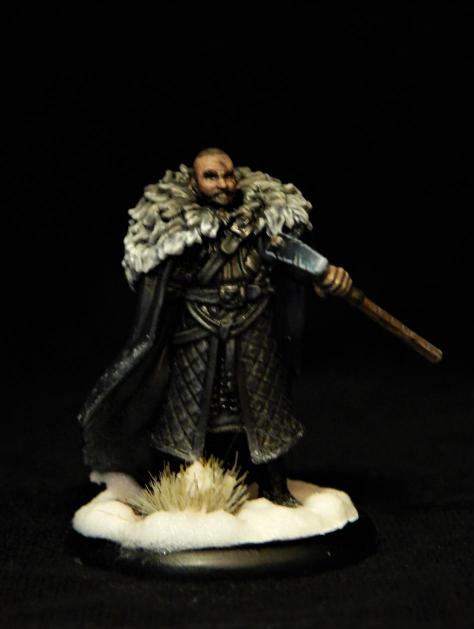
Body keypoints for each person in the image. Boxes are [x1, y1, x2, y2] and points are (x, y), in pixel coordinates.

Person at [78, 148, 351, 506]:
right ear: (194, 183)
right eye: (211, 176)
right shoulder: (182, 231)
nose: (223, 184)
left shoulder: (261, 224)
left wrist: (324, 277)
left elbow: (295, 265)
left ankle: (275, 487)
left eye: (228, 175)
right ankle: (178, 490)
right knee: (187, 417)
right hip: (198, 332)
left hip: (252, 329)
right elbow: (160, 286)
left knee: (265, 414)